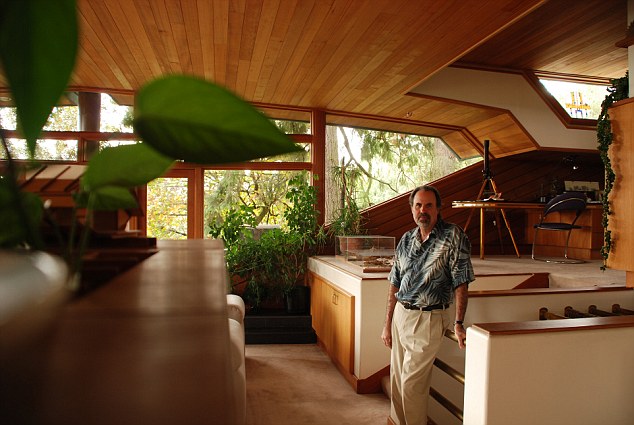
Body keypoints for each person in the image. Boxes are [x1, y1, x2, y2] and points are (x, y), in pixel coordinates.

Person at [381, 185, 474, 425]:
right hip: (401, 316)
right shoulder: (407, 239)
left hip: (428, 318)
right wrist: (387, 323)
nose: (423, 210)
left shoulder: (453, 236)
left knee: (412, 385)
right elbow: (394, 283)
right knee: (397, 380)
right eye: (418, 205)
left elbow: (461, 281)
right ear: (412, 209)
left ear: (438, 208)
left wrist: (459, 323)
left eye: (429, 205)